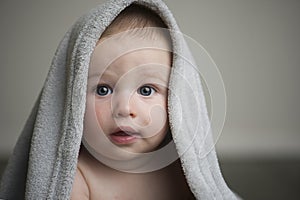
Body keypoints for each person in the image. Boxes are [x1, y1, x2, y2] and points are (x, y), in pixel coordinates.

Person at [0, 0, 239, 199]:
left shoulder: (185, 170)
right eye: (103, 90)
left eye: (146, 90)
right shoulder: (76, 177)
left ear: (176, 101)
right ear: (70, 100)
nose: (124, 109)